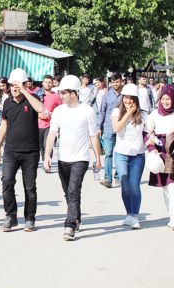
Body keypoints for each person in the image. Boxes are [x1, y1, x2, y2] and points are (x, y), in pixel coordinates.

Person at [43, 75, 101, 241]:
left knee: (73, 190)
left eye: (64, 93)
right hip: (63, 158)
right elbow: (52, 133)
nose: (60, 96)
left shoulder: (87, 111)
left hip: (80, 158)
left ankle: (69, 225)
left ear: (74, 93)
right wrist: (47, 155)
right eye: (60, 93)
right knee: (68, 193)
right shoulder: (59, 111)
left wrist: (98, 158)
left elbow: (93, 136)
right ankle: (77, 218)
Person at [0, 68, 44, 232]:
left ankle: (30, 218)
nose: (14, 89)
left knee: (29, 187)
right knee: (7, 181)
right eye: (12, 85)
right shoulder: (7, 102)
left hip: (30, 151)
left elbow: (41, 110)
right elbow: (4, 124)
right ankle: (10, 216)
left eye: (17, 86)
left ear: (24, 85)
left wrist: (25, 92)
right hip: (11, 151)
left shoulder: (33, 99)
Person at [145, 84, 174, 229]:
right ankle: (172, 215)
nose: (165, 102)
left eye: (168, 99)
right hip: (160, 155)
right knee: (166, 188)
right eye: (163, 99)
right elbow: (147, 134)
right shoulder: (154, 114)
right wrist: (151, 148)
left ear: (173, 98)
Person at [111, 84, 147, 229]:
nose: (128, 101)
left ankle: (134, 216)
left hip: (138, 155)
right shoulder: (116, 111)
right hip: (120, 154)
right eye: (126, 98)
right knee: (124, 185)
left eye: (131, 98)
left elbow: (149, 132)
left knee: (134, 185)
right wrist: (127, 113)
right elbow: (116, 128)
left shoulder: (143, 115)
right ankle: (128, 214)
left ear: (136, 100)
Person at [97, 72, 124, 188]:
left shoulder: (125, 95)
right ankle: (108, 179)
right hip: (108, 127)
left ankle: (118, 177)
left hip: (122, 128)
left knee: (119, 154)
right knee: (108, 154)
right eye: (113, 82)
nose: (115, 84)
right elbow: (102, 112)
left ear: (121, 81)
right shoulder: (106, 95)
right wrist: (99, 126)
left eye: (117, 82)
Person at [37, 75, 62, 161]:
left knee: (48, 143)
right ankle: (44, 158)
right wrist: (38, 115)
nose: (47, 84)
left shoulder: (56, 96)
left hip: (50, 124)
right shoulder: (37, 95)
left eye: (49, 82)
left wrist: (53, 114)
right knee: (40, 145)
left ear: (52, 84)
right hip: (38, 124)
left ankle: (47, 162)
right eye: (46, 82)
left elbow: (60, 109)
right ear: (42, 83)